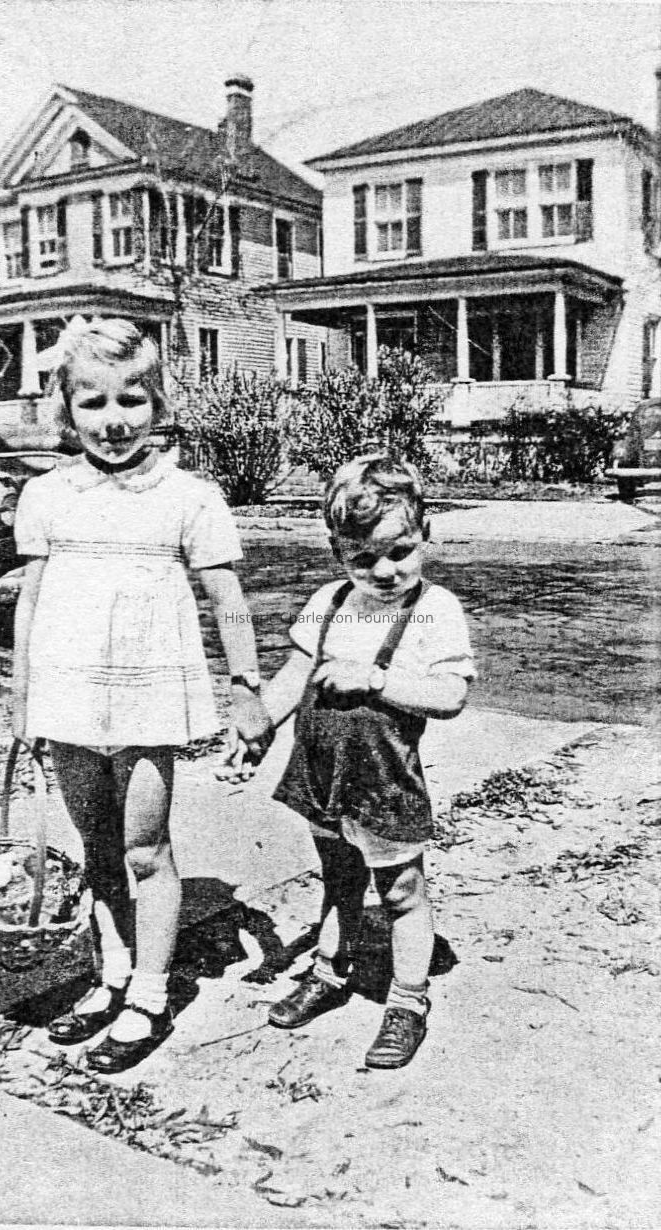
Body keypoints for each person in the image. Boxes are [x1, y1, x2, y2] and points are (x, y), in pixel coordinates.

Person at [12, 317, 272, 1073]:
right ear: (67, 410)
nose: (114, 419)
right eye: (92, 402)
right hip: (68, 694)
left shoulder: (189, 496)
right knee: (95, 848)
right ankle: (113, 976)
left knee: (144, 849)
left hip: (148, 697)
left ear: (158, 402)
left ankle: (151, 996)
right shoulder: (47, 495)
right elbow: (31, 601)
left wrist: (246, 688)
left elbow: (228, 602)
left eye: (132, 398)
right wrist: (24, 696)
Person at [224, 453, 476, 1069]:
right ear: (337, 552)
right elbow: (295, 673)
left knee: (401, 891)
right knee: (338, 879)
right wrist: (259, 723)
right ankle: (330, 970)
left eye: (400, 552)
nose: (384, 570)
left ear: (425, 534)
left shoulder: (436, 609)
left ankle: (408, 1000)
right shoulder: (328, 601)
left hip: (383, 779)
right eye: (363, 559)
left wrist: (376, 678)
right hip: (320, 773)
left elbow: (450, 695)